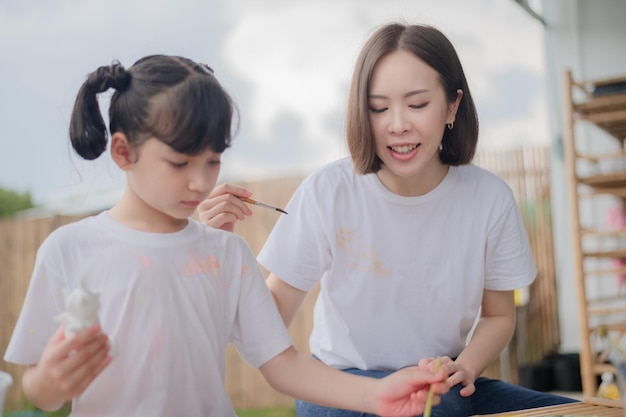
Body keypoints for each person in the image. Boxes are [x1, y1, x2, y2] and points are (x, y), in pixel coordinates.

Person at [3, 55, 449, 417]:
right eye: (180, 163)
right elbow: (36, 391)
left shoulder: (228, 253)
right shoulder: (69, 250)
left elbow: (283, 365)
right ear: (123, 152)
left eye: (213, 161)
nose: (200, 182)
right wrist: (48, 384)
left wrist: (376, 395)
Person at [199, 23, 579, 417]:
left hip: (440, 384)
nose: (397, 124)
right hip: (341, 386)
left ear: (452, 106)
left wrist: (463, 367)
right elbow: (270, 319)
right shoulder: (328, 192)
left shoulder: (490, 199)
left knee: (576, 412)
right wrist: (217, 247)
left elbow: (500, 314)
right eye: (378, 108)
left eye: (417, 104)